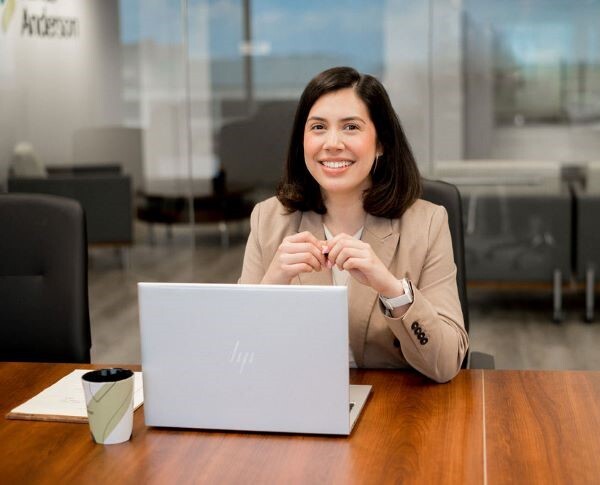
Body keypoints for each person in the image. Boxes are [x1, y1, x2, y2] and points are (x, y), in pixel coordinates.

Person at [239, 66, 468, 383]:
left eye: (350, 127)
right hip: (296, 400)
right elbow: (237, 352)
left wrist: (391, 288)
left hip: (394, 408)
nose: (332, 143)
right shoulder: (269, 219)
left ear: (381, 143)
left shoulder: (427, 224)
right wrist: (273, 282)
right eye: (318, 127)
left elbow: (445, 363)